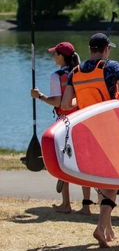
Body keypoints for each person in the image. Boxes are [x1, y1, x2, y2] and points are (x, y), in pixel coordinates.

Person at [61, 33, 119, 248]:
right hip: (111, 129)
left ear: (91, 49)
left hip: (89, 132)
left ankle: (107, 229)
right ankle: (101, 227)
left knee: (105, 181)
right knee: (112, 181)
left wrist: (82, 97)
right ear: (107, 49)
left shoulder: (75, 72)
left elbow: (66, 103)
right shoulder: (113, 67)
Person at [30, 41, 93, 215]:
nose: (53, 57)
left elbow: (58, 102)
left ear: (61, 57)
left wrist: (40, 96)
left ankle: (66, 204)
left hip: (64, 122)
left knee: (63, 161)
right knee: (82, 162)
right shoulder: (81, 72)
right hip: (82, 119)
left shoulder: (56, 75)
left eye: (55, 54)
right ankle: (86, 206)